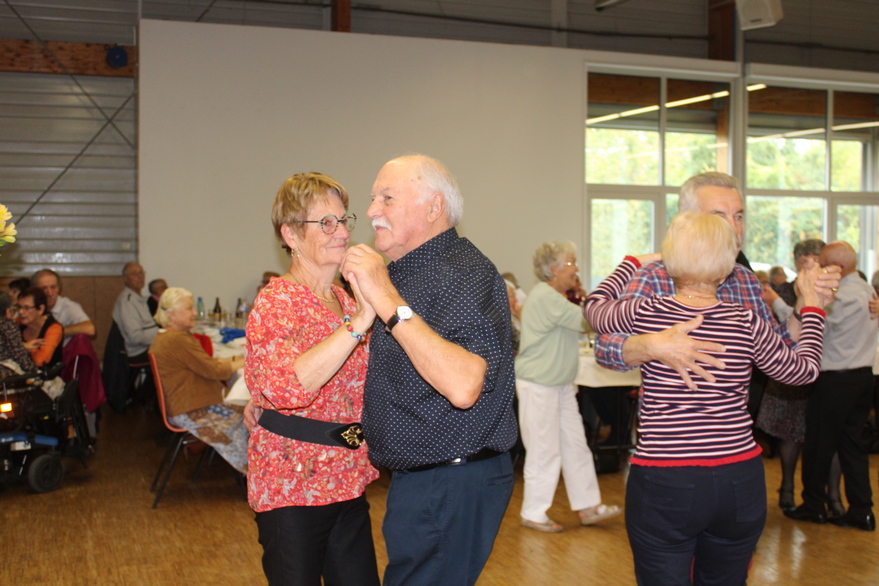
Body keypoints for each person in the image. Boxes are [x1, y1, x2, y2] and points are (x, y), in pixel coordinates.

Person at [584, 211, 827, 585]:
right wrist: (812, 309)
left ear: (669, 261)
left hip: (665, 477)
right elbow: (803, 371)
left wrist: (630, 263)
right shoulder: (746, 321)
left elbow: (594, 309)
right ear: (727, 266)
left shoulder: (649, 312)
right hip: (737, 477)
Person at [342, 155, 517, 586]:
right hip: (432, 479)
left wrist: (385, 298)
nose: (371, 211)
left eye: (387, 198)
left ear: (434, 207)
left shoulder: (458, 272)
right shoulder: (418, 272)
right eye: (371, 199)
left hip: (450, 480)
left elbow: (463, 385)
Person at [245, 172, 380, 586]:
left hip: (348, 477)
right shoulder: (277, 301)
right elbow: (289, 387)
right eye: (325, 223)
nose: (341, 232)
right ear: (290, 233)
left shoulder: (343, 297)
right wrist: (360, 322)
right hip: (293, 486)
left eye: (343, 220)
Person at [594, 171, 838, 392]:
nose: (733, 228)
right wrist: (651, 345)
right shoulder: (655, 275)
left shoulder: (744, 279)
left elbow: (774, 345)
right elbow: (605, 349)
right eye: (718, 216)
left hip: (731, 427)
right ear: (688, 222)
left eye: (739, 216)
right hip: (671, 436)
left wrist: (805, 305)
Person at [515, 241, 621, 533]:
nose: (576, 270)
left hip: (558, 386)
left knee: (576, 446)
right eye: (572, 264)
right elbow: (587, 320)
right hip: (539, 386)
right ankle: (533, 512)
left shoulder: (555, 296)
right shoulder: (546, 297)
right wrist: (602, 299)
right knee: (544, 451)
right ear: (554, 269)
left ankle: (588, 506)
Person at [786, 241, 879, 531]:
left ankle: (814, 505)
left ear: (837, 267)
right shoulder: (867, 290)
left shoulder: (842, 295)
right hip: (864, 376)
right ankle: (862, 509)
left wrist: (779, 302)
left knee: (818, 444)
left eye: (824, 263)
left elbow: (814, 325)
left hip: (836, 378)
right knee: (852, 446)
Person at [150, 287, 247, 474]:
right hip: (189, 409)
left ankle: (248, 470)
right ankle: (251, 472)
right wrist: (245, 361)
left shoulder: (169, 336)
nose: (194, 313)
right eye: (188, 309)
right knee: (251, 415)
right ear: (171, 314)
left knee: (246, 409)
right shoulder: (176, 340)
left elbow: (205, 363)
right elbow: (214, 370)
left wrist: (238, 360)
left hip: (187, 404)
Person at [32, 269, 95, 344]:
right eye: (44, 288)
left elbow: (90, 329)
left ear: (59, 288)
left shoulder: (68, 306)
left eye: (53, 287)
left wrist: (55, 332)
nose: (49, 293)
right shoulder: (28, 306)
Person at [113, 262, 160, 363]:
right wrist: (161, 336)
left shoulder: (140, 299)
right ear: (125, 278)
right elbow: (135, 337)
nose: (139, 276)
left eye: (141, 272)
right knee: (177, 352)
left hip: (150, 346)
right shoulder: (127, 302)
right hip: (139, 351)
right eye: (134, 274)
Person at [18, 287, 63, 368]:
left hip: (44, 378)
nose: (20, 312)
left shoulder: (54, 328)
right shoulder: (18, 322)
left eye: (26, 308)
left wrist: (28, 348)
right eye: (19, 307)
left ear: (40, 309)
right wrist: (24, 345)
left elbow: (41, 362)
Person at [0, 291, 35, 378]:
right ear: (7, 311)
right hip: (5, 376)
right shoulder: (7, 325)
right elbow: (19, 356)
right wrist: (35, 372)